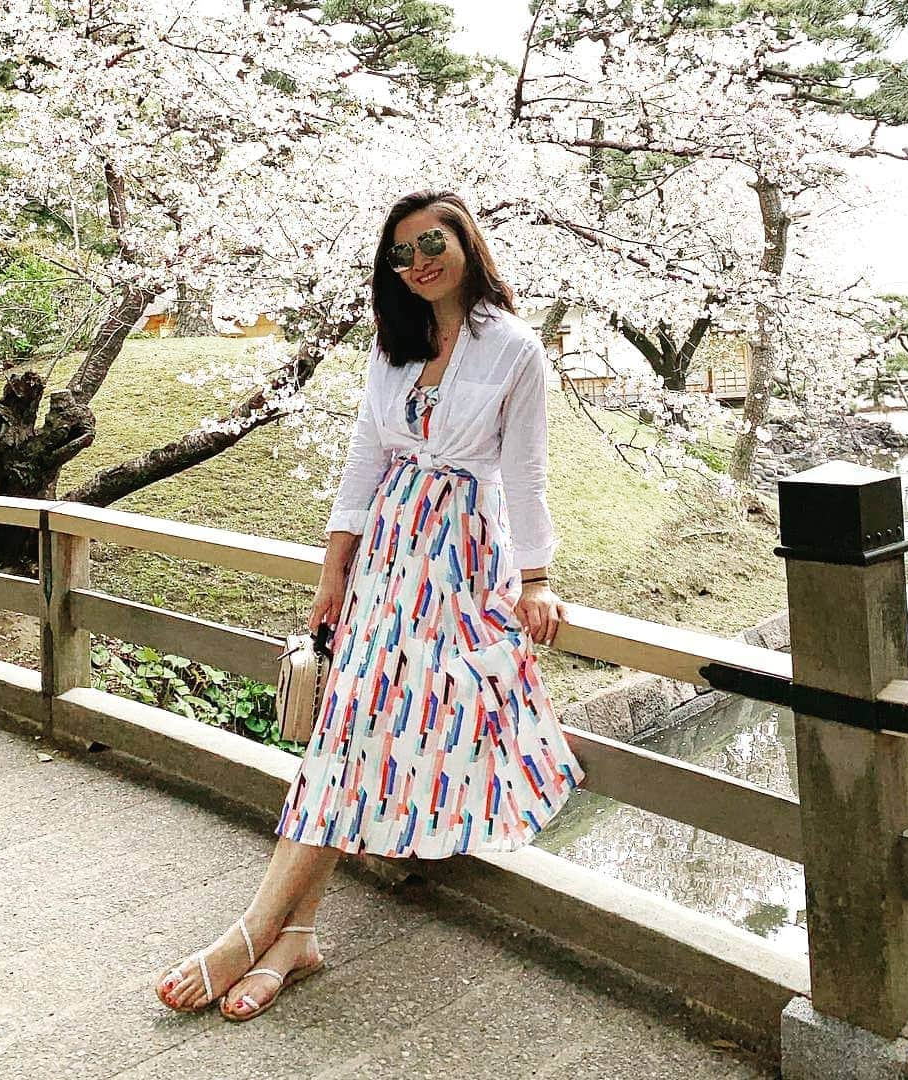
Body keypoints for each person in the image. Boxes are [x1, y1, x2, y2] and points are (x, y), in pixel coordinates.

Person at [155, 190, 587, 1021]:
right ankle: (294, 935)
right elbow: (363, 459)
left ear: (466, 242)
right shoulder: (394, 344)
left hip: (458, 560)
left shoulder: (516, 348)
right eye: (400, 253)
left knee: (358, 734)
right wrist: (333, 571)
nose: (417, 262)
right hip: (387, 554)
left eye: (432, 242)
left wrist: (534, 579)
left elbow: (526, 472)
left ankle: (259, 930)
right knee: (351, 730)